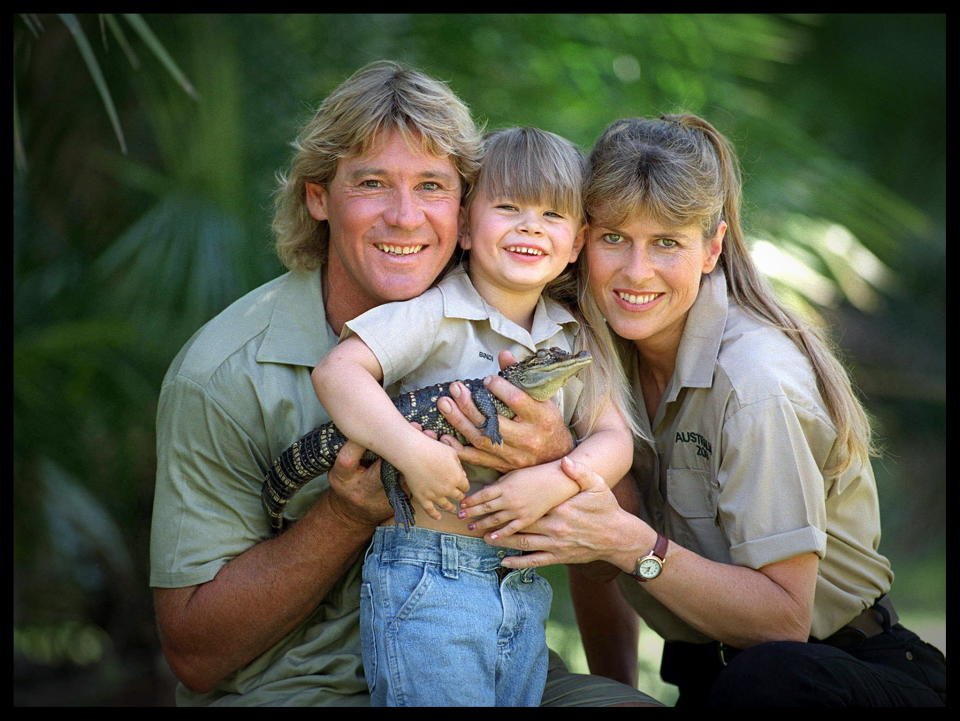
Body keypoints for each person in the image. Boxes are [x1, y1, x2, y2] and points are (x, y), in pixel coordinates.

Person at [149, 59, 660, 707]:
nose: (405, 216)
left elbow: (608, 528)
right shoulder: (218, 372)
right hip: (298, 689)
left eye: (432, 186)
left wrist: (558, 459)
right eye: (371, 183)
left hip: (492, 648)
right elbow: (194, 653)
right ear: (317, 196)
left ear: (467, 208)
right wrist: (346, 512)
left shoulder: (527, 326)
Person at [464, 114, 947, 707]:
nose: (636, 272)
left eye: (666, 242)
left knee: (767, 679)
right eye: (615, 237)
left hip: (829, 675)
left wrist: (628, 542)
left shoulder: (757, 383)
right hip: (710, 676)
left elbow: (783, 624)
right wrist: (619, 694)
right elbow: (594, 542)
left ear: (711, 247)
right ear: (585, 238)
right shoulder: (586, 348)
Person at [311, 127, 638, 706]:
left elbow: (614, 438)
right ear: (464, 226)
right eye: (508, 207)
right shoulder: (434, 310)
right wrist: (414, 453)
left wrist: (558, 478)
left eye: (551, 215)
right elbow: (338, 373)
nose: (530, 225)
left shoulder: (571, 333)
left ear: (577, 243)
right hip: (425, 575)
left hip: (520, 582)